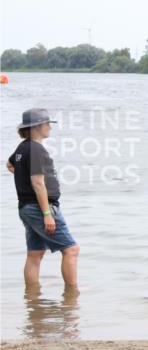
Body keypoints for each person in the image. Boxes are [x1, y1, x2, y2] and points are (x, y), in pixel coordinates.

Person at [6, 108, 81, 296]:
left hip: (26, 208)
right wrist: (47, 214)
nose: (50, 127)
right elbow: (38, 183)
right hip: (39, 208)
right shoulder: (36, 149)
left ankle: (32, 296)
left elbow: (10, 164)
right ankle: (72, 294)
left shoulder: (23, 147)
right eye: (47, 124)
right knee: (71, 249)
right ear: (37, 126)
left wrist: (22, 176)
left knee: (35, 253)